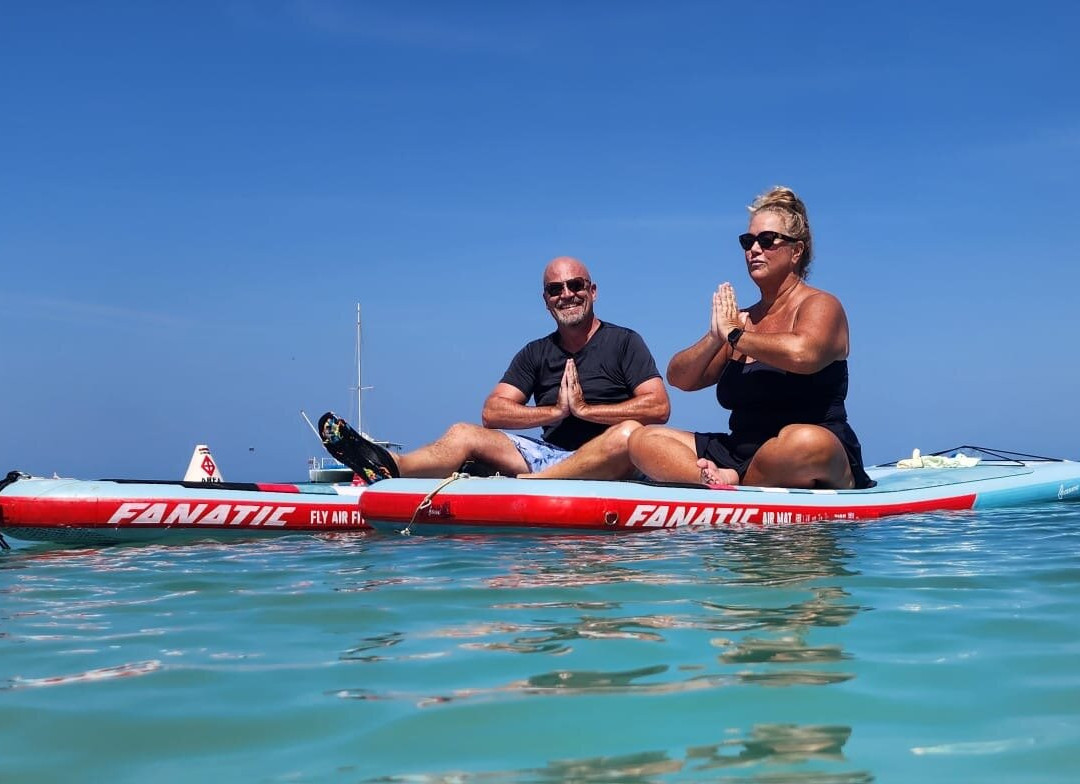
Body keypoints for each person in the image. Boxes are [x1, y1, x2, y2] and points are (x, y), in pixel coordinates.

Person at [321, 256, 670, 483]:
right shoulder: (536, 352)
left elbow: (658, 407)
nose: (567, 294)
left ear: (592, 291)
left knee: (626, 435)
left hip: (608, 461)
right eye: (555, 289)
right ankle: (392, 467)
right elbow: (493, 412)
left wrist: (586, 411)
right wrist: (555, 411)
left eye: (576, 285)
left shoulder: (625, 342)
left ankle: (533, 484)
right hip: (549, 457)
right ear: (545, 299)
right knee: (463, 432)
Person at [627, 186, 873, 489]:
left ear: (796, 251)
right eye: (748, 241)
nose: (754, 249)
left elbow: (803, 353)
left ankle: (732, 481)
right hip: (739, 451)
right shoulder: (739, 322)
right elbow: (680, 378)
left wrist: (736, 335)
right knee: (642, 440)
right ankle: (719, 480)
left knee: (806, 442)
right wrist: (715, 337)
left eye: (767, 240)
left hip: (806, 451)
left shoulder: (821, 305)